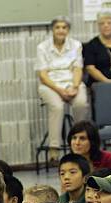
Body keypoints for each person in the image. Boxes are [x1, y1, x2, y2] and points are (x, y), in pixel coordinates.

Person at [36, 16, 88, 160]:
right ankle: (54, 147)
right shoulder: (42, 47)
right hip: (50, 85)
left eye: (64, 27)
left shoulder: (76, 45)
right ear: (52, 30)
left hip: (72, 83)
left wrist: (75, 87)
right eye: (57, 27)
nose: (61, 30)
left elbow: (78, 69)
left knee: (81, 103)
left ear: (68, 30)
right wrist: (59, 91)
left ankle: (80, 142)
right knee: (57, 107)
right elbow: (43, 74)